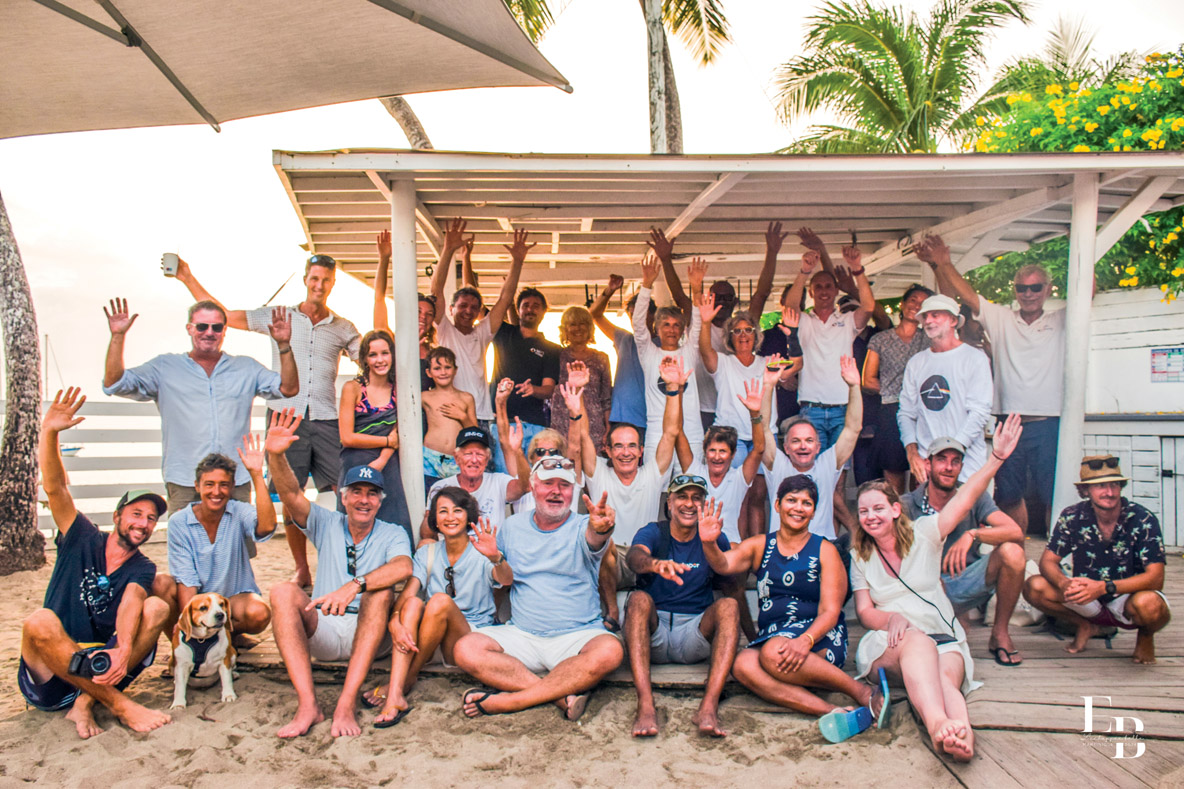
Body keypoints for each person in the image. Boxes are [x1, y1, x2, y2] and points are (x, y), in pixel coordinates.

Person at [175, 252, 360, 589]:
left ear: (333, 284)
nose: (319, 285)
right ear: (306, 279)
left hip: (327, 417)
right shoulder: (279, 315)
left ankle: (335, 563)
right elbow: (226, 317)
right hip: (285, 416)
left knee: (339, 493)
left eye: (326, 280)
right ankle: (302, 568)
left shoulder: (343, 327)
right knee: (291, 495)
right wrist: (187, 277)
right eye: (314, 278)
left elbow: (375, 357)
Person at [849, 414, 1024, 763]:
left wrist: (996, 460)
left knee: (946, 680)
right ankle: (937, 724)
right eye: (864, 510)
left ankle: (964, 734)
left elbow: (965, 498)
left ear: (896, 510)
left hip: (943, 635)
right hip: (891, 643)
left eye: (879, 508)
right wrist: (890, 619)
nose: (871, 516)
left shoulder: (925, 532)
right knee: (916, 642)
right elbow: (865, 610)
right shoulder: (860, 554)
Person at [20, 387, 171, 739]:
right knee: (39, 621)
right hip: (52, 671)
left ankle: (86, 704)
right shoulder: (82, 536)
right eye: (136, 514)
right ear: (118, 515)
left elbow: (132, 602)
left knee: (157, 607)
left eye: (151, 519)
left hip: (102, 669)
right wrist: (50, 432)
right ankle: (119, 705)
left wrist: (121, 649)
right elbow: (56, 488)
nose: (143, 523)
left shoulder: (142, 566)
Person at [265, 410, 413, 739]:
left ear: (381, 499)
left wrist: (355, 585)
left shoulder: (391, 532)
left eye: (372, 493)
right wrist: (276, 455)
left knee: (379, 594)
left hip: (373, 636)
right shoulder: (327, 522)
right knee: (281, 592)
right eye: (356, 492)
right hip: (326, 628)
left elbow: (403, 567)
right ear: (343, 497)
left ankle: (346, 703)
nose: (364, 499)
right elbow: (290, 495)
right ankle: (308, 704)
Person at [917, 235, 1069, 535]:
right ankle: (1016, 548)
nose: (1028, 293)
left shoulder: (1063, 318)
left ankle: (1057, 556)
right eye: (1022, 288)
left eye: (1035, 287)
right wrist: (942, 263)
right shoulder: (1002, 318)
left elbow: (1087, 292)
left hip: (1049, 421)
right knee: (1009, 495)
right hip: (1007, 421)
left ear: (1047, 289)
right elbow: (968, 298)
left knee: (1054, 493)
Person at [452, 461, 624, 720]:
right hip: (524, 635)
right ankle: (558, 696)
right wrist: (496, 558)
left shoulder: (583, 525)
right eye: (548, 483)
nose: (557, 491)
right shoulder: (512, 527)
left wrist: (603, 527)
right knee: (465, 649)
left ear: (572, 492)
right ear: (533, 487)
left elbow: (596, 536)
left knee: (610, 651)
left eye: (564, 485)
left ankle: (512, 701)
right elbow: (504, 580)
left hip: (576, 636)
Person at [102, 298, 296, 515]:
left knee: (238, 544)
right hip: (185, 478)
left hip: (234, 480)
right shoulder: (165, 367)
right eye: (202, 326)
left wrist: (284, 346)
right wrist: (118, 337)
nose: (209, 332)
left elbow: (288, 388)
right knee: (185, 547)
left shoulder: (246, 367)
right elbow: (115, 384)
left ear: (224, 331)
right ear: (189, 329)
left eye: (217, 327)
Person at [719, 476, 883, 721]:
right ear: (777, 505)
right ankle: (830, 711)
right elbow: (723, 564)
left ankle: (861, 691)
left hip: (819, 638)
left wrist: (805, 641)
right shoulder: (761, 545)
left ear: (814, 511)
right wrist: (708, 542)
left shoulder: (825, 550)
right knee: (743, 664)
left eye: (806, 503)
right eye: (791, 500)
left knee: (773, 653)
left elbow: (831, 611)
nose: (798, 508)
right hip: (776, 637)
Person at [370, 487, 514, 727]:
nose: (450, 517)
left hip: (468, 639)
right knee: (415, 603)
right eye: (443, 511)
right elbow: (407, 595)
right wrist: (394, 621)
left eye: (457, 511)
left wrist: (495, 557)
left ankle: (405, 680)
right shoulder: (427, 552)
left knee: (439, 601)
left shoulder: (482, 550)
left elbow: (506, 579)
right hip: (431, 640)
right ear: (434, 519)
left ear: (468, 516)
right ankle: (397, 691)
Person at [565, 356, 685, 632]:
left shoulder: (652, 475)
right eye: (618, 446)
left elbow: (670, 433)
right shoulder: (600, 475)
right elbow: (583, 438)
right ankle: (612, 610)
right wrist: (578, 396)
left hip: (645, 556)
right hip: (610, 561)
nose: (626, 452)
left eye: (632, 446)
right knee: (603, 541)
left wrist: (673, 389)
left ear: (642, 451)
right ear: (607, 450)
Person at [1023, 455, 1170, 663]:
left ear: (1121, 487)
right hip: (1086, 596)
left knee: (1151, 604)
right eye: (1100, 486)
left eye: (1114, 485)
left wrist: (1103, 587)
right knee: (1034, 586)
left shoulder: (1142, 518)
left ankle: (1145, 636)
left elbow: (1156, 578)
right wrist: (1064, 582)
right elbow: (1048, 561)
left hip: (1127, 597)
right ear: (1085, 491)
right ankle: (1083, 625)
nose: (1109, 492)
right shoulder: (1072, 516)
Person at [624, 477, 740, 738]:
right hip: (655, 634)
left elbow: (732, 583)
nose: (689, 503)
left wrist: (752, 636)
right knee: (638, 599)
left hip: (695, 632)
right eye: (682, 497)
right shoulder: (654, 531)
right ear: (670, 504)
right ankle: (645, 706)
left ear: (704, 504)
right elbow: (634, 557)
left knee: (729, 606)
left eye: (696, 498)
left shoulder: (713, 537)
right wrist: (654, 564)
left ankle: (708, 708)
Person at [900, 437, 1027, 666]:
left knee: (1013, 552)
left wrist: (973, 535)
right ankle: (951, 620)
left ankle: (999, 633)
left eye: (955, 461)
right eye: (942, 460)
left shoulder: (973, 496)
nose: (949, 467)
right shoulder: (908, 504)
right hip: (925, 591)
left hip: (965, 579)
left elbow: (1014, 531)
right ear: (928, 465)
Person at [647, 224, 781, 433]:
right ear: (708, 298)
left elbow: (761, 294)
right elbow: (679, 296)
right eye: (716, 297)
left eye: (728, 298)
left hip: (735, 408)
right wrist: (665, 259)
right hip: (700, 406)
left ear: (735, 301)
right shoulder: (698, 318)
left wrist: (772, 253)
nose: (722, 302)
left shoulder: (742, 328)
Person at [676, 373, 770, 642]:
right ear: (705, 451)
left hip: (732, 550)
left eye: (723, 451)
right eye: (713, 450)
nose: (717, 456)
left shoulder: (739, 477)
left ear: (731, 454)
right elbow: (678, 432)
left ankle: (751, 638)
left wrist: (755, 413)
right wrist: (677, 392)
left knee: (732, 584)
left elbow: (759, 448)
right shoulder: (695, 471)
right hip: (697, 546)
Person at [156, 445, 275, 640]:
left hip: (232, 599)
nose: (216, 491)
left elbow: (268, 526)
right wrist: (192, 632)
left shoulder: (238, 511)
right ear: (197, 486)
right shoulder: (179, 522)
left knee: (259, 613)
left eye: (224, 484)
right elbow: (187, 580)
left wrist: (255, 474)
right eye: (209, 484)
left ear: (232, 486)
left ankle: (225, 640)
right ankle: (184, 644)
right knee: (160, 583)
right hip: (196, 602)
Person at [429, 220, 530, 441]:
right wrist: (448, 249)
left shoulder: (482, 333)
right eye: (463, 306)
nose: (468, 311)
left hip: (482, 415)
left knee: (482, 471)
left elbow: (504, 299)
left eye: (474, 308)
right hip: (449, 412)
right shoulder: (445, 329)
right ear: (451, 308)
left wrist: (517, 261)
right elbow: (435, 290)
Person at [781, 237, 875, 452]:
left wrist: (857, 269)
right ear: (811, 292)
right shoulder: (803, 321)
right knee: (812, 471)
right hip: (810, 408)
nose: (824, 291)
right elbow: (790, 306)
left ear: (836, 291)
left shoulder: (848, 320)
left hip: (844, 408)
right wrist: (804, 272)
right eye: (818, 287)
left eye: (828, 286)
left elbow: (868, 307)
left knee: (840, 473)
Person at [760, 356, 863, 541]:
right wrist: (768, 387)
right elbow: (764, 429)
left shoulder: (827, 464)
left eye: (808, 440)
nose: (802, 446)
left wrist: (854, 387)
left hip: (821, 551)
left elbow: (852, 429)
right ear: (786, 448)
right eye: (796, 441)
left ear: (818, 447)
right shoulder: (779, 465)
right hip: (780, 551)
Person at [898, 294, 993, 484]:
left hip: (967, 468)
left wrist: (950, 454)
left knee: (966, 514)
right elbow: (906, 413)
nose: (928, 321)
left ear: (953, 320)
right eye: (925, 317)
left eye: (935, 315)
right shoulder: (916, 362)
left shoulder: (975, 358)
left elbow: (979, 413)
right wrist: (913, 453)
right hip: (927, 468)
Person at [338, 329, 413, 544]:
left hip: (387, 465)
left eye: (385, 353)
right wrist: (387, 442)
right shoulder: (352, 388)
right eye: (373, 355)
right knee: (352, 524)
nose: (380, 360)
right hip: (354, 463)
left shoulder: (400, 390)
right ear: (365, 359)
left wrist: (381, 459)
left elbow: (399, 430)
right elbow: (347, 437)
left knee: (394, 519)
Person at [633, 255, 704, 464]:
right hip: (658, 430)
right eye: (666, 324)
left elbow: (698, 323)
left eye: (676, 325)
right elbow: (638, 324)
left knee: (691, 486)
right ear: (656, 328)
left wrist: (697, 288)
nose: (671, 329)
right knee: (655, 488)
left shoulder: (689, 352)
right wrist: (646, 285)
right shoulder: (649, 353)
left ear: (682, 329)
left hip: (691, 430)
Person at [863, 284, 932, 493]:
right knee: (893, 475)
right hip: (891, 409)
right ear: (902, 304)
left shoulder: (930, 339)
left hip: (924, 412)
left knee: (921, 475)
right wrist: (896, 391)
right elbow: (867, 380)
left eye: (922, 303)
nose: (916, 306)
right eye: (913, 300)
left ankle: (916, 523)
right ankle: (897, 523)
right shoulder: (881, 339)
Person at [489, 285, 561, 472]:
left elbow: (549, 388)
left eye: (536, 305)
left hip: (534, 425)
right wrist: (465, 256)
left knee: (535, 482)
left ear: (544, 311)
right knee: (507, 485)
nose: (530, 309)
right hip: (504, 424)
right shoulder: (503, 333)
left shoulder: (551, 348)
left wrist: (533, 389)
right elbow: (476, 300)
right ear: (518, 309)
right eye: (526, 305)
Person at [422, 424, 530, 538]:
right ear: (457, 458)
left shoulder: (498, 482)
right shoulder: (441, 487)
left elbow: (525, 486)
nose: (474, 460)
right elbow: (428, 534)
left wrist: (518, 451)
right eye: (468, 454)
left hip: (491, 553)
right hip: (453, 551)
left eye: (479, 454)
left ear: (487, 459)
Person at [373, 228, 436, 393]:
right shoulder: (392, 342)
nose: (423, 317)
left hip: (424, 415)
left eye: (429, 314)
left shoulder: (433, 352)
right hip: (396, 414)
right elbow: (379, 299)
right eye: (418, 311)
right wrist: (384, 259)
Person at [590, 274, 650, 436]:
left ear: (653, 315)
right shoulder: (624, 339)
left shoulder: (665, 344)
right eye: (632, 314)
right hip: (622, 419)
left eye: (641, 313)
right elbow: (594, 315)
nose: (636, 318)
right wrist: (609, 290)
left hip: (654, 421)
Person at [549, 306, 613, 455]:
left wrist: (608, 428)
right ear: (564, 329)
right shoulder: (556, 356)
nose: (577, 328)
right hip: (562, 423)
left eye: (582, 323)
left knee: (593, 469)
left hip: (593, 425)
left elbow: (606, 398)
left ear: (590, 328)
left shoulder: (601, 359)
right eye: (572, 324)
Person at [421, 346, 478, 488]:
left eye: (447, 367)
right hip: (430, 458)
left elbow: (475, 433)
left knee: (457, 500)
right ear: (428, 372)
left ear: (455, 370)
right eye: (437, 368)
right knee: (430, 499)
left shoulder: (466, 398)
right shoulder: (425, 396)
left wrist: (462, 416)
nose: (443, 372)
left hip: (457, 460)